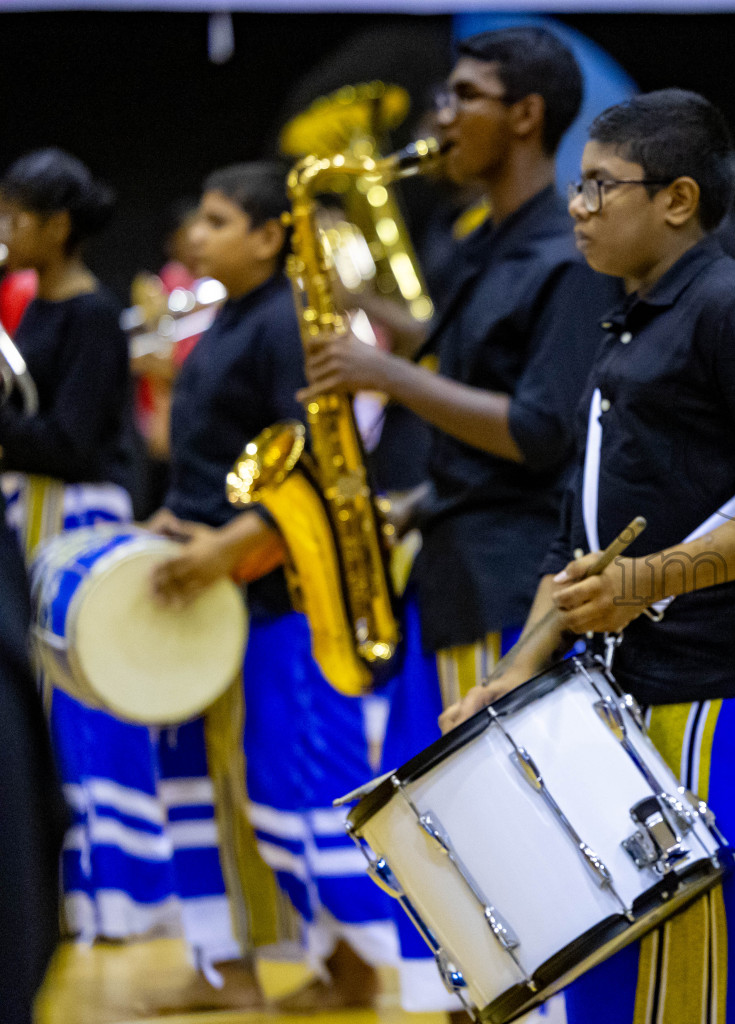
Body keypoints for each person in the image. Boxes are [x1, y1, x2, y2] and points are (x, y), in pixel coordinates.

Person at [440, 88, 735, 1024]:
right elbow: (574, 540)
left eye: (597, 187)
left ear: (677, 199)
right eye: (577, 188)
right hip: (626, 708)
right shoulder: (630, 320)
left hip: (734, 699)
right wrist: (513, 672)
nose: (577, 207)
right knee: (634, 982)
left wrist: (650, 581)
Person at [298, 25, 619, 1011]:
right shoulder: (483, 245)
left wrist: (384, 370)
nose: (439, 119)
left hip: (507, 574)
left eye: (462, 97)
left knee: (507, 846)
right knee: (448, 839)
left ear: (525, 117)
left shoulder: (564, 259)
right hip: (456, 559)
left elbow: (537, 430)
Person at [148, 161, 400, 1012]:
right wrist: (174, 527)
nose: (198, 235)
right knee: (209, 786)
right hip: (211, 587)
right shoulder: (228, 323)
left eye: (220, 221)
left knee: (293, 780)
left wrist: (224, 552)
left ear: (269, 236)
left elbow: (321, 471)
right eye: (202, 219)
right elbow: (210, 466)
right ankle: (232, 960)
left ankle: (360, 959)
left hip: (277, 594)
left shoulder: (286, 326)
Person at [0, 149, 186, 955]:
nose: (5, 233)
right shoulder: (38, 309)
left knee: (85, 709)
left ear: (59, 225)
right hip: (32, 516)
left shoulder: (93, 315)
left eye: (16, 218)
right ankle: (60, 895)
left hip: (78, 523)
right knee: (42, 712)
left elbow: (74, 444)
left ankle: (119, 898)